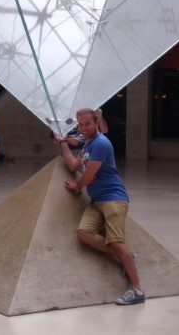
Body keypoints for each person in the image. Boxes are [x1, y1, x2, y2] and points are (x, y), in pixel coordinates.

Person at [55, 108, 145, 305]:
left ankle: (137, 290)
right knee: (83, 233)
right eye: (81, 124)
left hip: (113, 198)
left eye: (88, 123)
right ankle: (128, 256)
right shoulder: (88, 146)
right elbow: (72, 166)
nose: (84, 127)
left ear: (97, 123)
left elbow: (90, 175)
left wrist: (78, 187)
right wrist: (62, 143)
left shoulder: (101, 143)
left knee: (116, 241)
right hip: (96, 201)